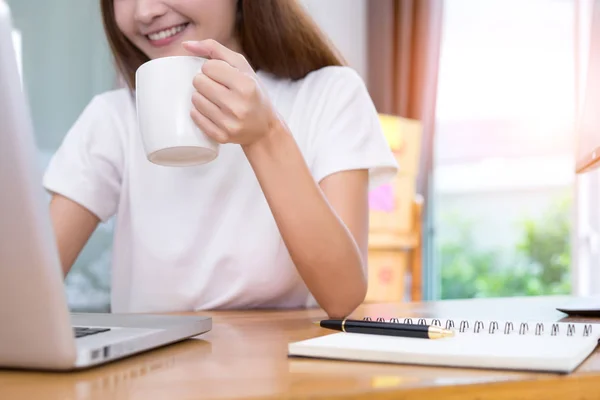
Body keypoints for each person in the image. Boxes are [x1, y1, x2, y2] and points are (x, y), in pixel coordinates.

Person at [44, 0, 398, 319]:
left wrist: (265, 136)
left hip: (280, 376)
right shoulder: (112, 118)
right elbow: (30, 286)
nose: (144, 11)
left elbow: (343, 296)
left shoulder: (329, 95)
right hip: (147, 379)